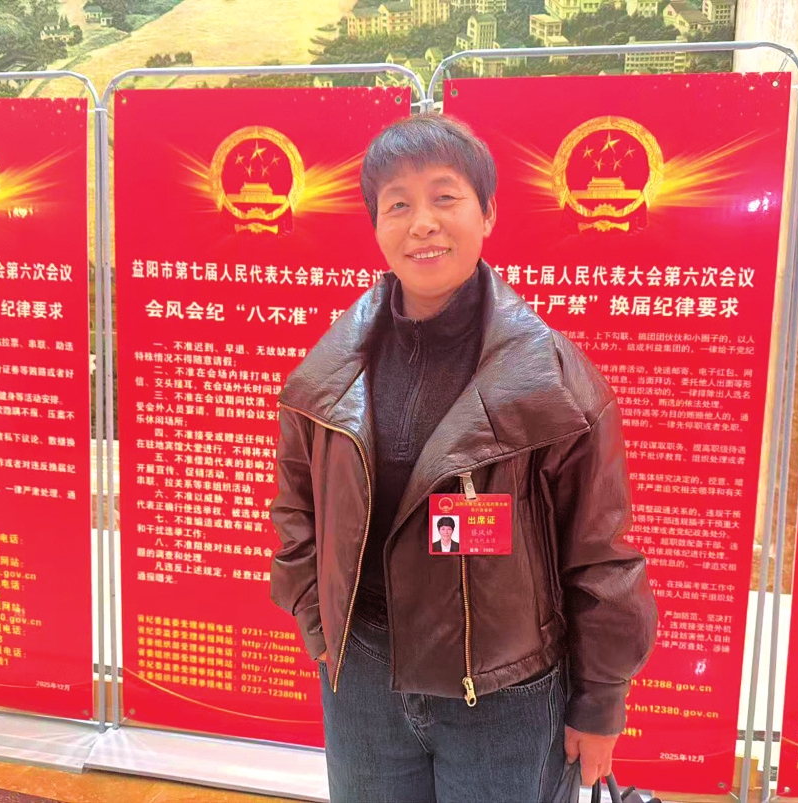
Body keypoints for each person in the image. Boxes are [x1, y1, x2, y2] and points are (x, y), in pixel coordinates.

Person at [270, 113, 656, 803]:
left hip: (505, 693)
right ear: (376, 226)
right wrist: (316, 622)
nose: (422, 223)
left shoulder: (552, 381)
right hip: (362, 680)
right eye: (398, 205)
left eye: (444, 197)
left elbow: (600, 555)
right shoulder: (328, 371)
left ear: (487, 214)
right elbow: (295, 510)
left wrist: (600, 702)